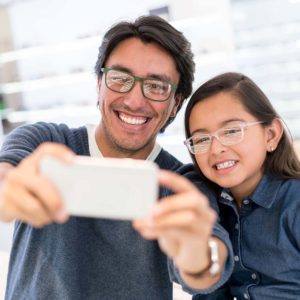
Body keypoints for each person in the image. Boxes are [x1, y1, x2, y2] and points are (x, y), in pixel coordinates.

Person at [0, 16, 234, 299]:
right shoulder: (43, 142)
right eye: (120, 79)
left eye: (157, 86)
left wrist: (197, 254)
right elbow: (5, 173)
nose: (135, 101)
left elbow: (211, 261)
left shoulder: (182, 183)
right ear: (99, 85)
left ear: (175, 105)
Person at [183, 72, 300, 299]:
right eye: (201, 140)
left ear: (271, 135)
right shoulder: (212, 208)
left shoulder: (294, 203)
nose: (216, 149)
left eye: (231, 131)